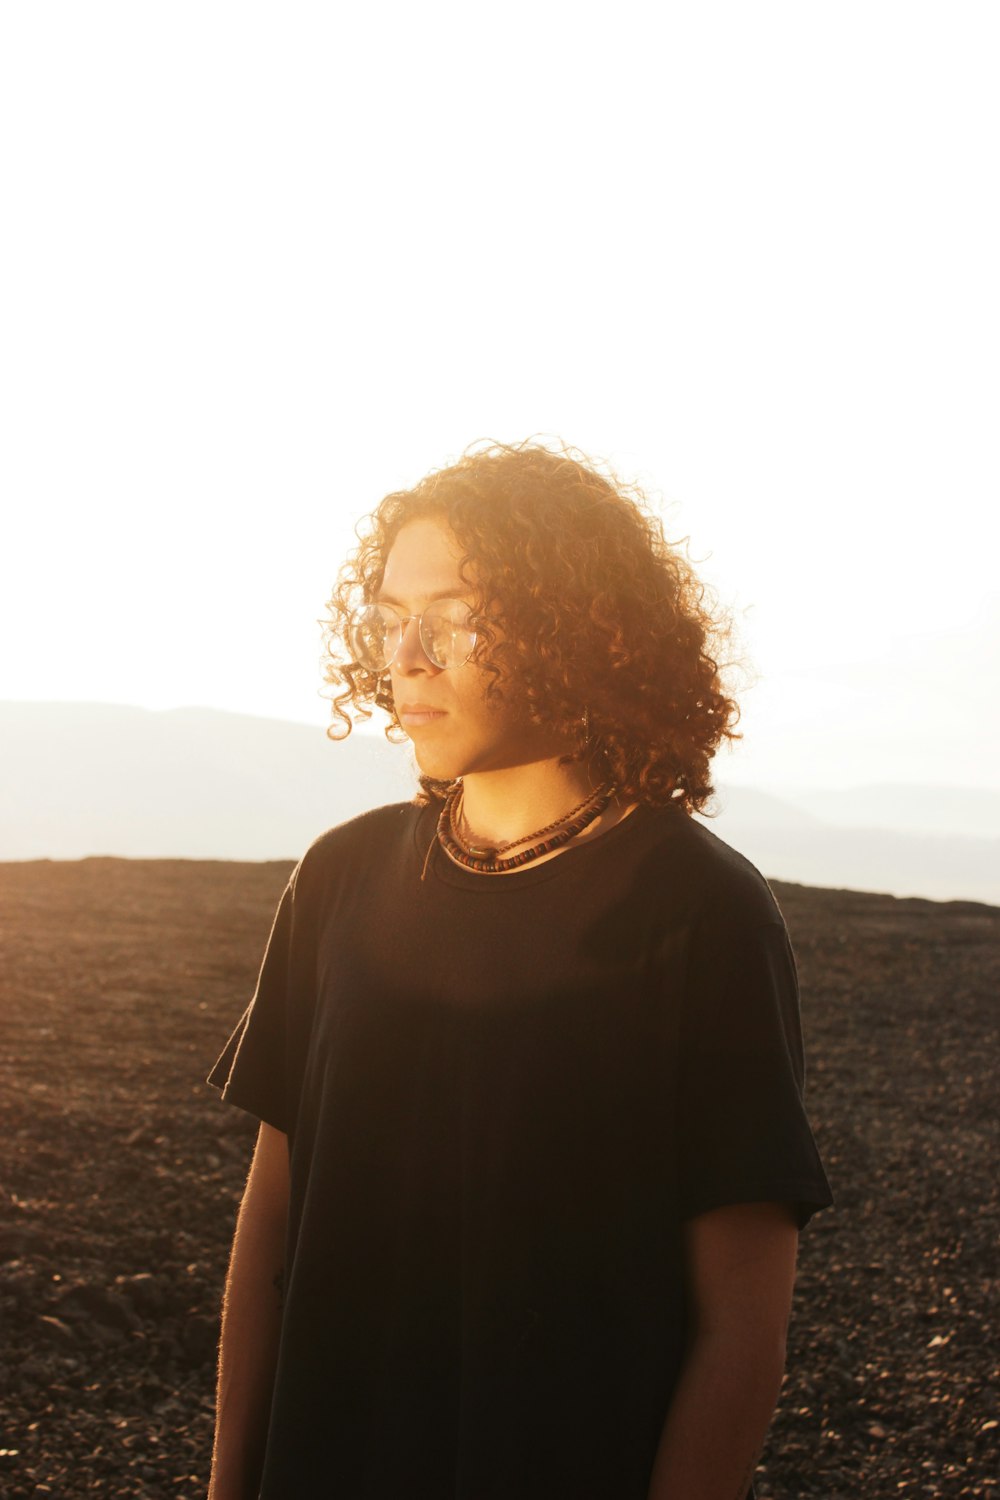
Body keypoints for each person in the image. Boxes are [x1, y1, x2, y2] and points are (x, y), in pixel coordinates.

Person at [206, 439, 834, 1500]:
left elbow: (739, 1331)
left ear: (581, 622)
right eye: (391, 615)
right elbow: (269, 1233)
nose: (407, 654)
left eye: (453, 614)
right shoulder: (340, 880)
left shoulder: (701, 913)